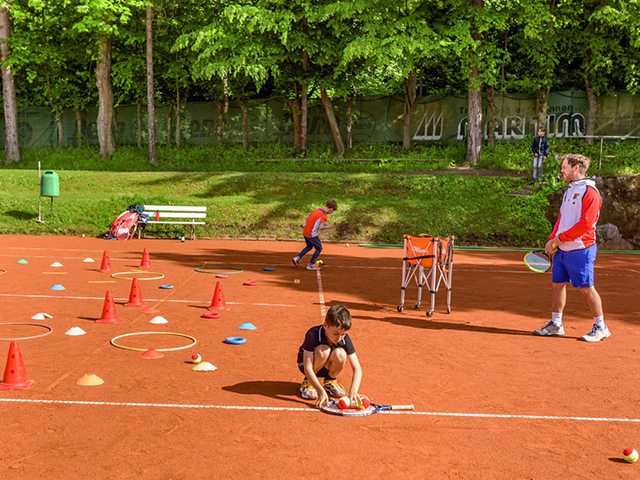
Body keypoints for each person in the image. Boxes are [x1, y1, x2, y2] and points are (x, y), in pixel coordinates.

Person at [534, 153, 609, 342]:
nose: (562, 169)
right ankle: (556, 324)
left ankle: (601, 327)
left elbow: (586, 223)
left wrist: (560, 239)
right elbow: (562, 218)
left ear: (576, 168)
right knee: (557, 285)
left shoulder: (590, 192)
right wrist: (552, 238)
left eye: (564, 166)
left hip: (581, 249)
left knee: (587, 288)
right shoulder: (569, 190)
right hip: (562, 248)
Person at [297, 304, 363, 408]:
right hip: (307, 365)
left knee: (341, 353)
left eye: (343, 334)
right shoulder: (312, 334)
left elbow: (357, 368)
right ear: (325, 325)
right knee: (324, 350)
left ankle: (330, 381)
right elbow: (307, 367)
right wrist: (320, 391)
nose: (340, 338)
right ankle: (308, 382)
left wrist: (353, 391)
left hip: (326, 366)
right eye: (336, 333)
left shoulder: (344, 339)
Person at [292, 199, 337, 271]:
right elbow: (321, 227)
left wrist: (309, 226)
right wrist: (328, 227)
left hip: (306, 232)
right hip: (312, 234)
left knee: (309, 246)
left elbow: (307, 217)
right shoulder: (324, 216)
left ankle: (297, 258)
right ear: (331, 209)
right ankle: (310, 264)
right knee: (319, 248)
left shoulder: (316, 210)